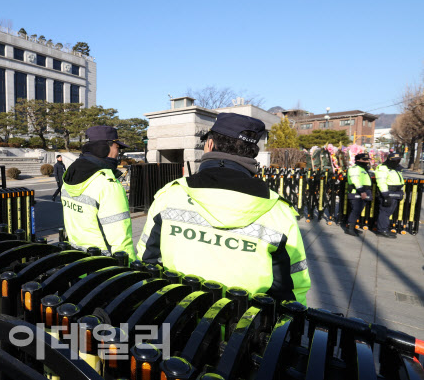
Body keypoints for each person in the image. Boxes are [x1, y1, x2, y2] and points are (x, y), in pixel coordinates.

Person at [136, 113, 311, 305]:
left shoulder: (170, 195)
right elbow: (292, 289)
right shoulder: (279, 211)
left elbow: (146, 262)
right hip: (245, 327)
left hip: (177, 316)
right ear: (252, 153)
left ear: (210, 144)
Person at [61, 125, 135, 259]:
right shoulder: (107, 183)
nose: (118, 153)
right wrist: (129, 269)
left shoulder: (69, 175)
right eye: (117, 148)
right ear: (104, 147)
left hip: (75, 257)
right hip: (103, 266)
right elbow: (120, 237)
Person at [375, 153, 404, 238]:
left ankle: (385, 228)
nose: (397, 162)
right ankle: (382, 230)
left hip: (395, 192)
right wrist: (385, 195)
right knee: (385, 212)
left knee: (389, 212)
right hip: (388, 192)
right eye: (395, 160)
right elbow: (381, 182)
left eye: (398, 160)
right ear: (390, 160)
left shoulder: (395, 168)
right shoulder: (383, 168)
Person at [345, 153, 373, 236]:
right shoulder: (354, 168)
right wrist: (361, 191)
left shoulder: (363, 168)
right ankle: (349, 228)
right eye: (364, 160)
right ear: (357, 160)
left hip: (363, 192)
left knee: (358, 211)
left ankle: (352, 227)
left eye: (367, 160)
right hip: (356, 192)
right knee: (355, 211)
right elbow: (355, 180)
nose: (366, 161)